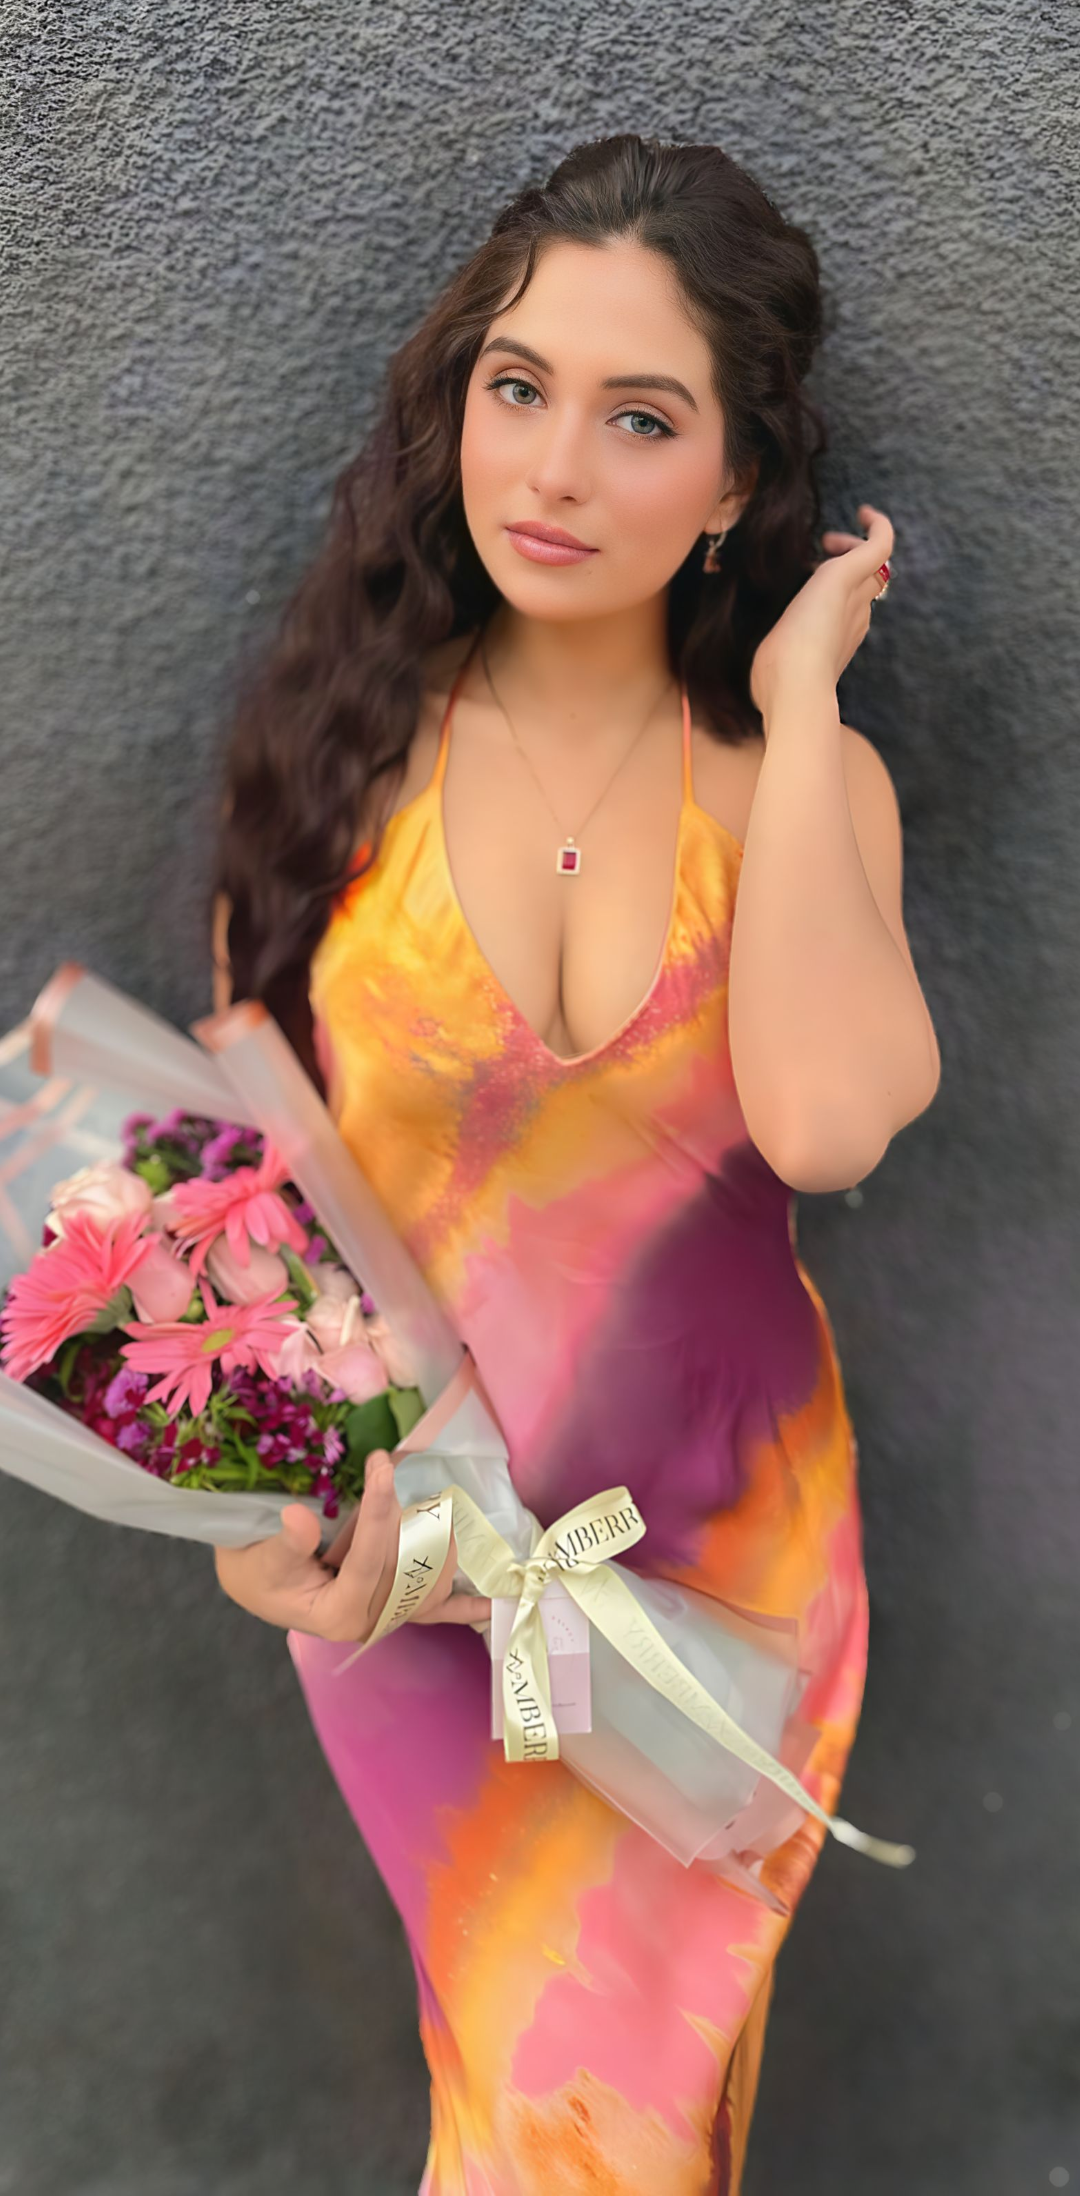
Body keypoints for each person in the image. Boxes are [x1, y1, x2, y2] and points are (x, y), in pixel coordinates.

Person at [209, 134, 940, 2195]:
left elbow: (826, 1126)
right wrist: (253, 1529)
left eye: (641, 420)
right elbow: (248, 1218)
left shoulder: (790, 785)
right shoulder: (343, 750)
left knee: (633, 2125)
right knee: (549, 2117)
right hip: (421, 1583)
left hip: (723, 1585)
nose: (551, 468)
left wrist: (801, 706)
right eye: (518, 388)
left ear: (734, 485)